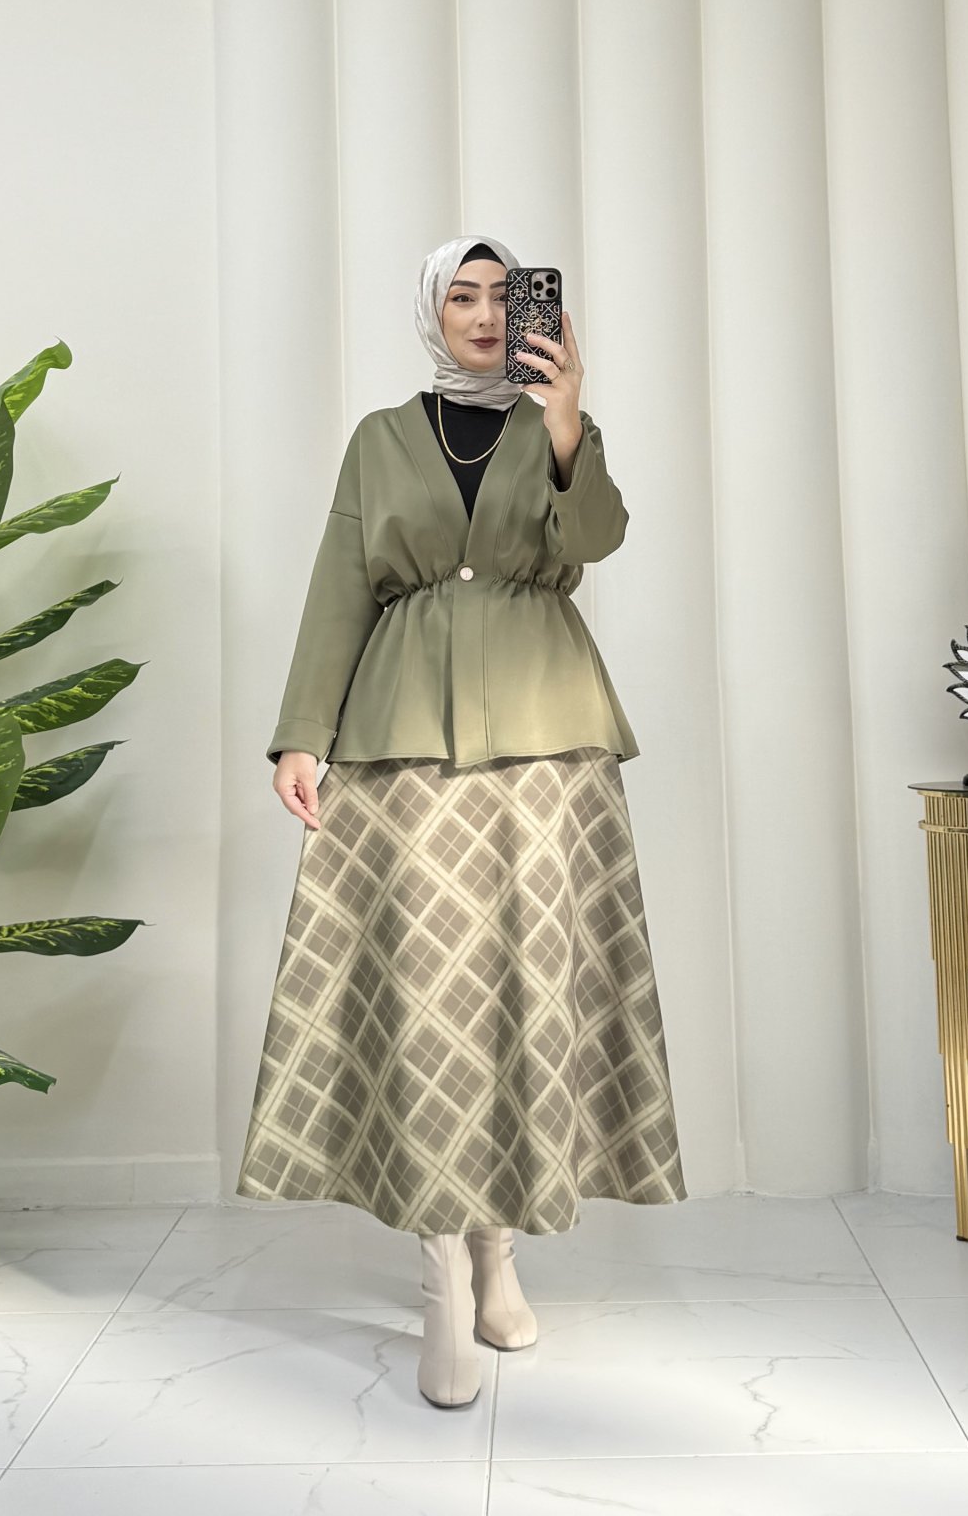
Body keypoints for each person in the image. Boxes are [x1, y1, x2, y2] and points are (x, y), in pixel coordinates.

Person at [235, 235, 687, 1409]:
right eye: (463, 296)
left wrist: (568, 418)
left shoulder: (557, 426)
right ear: (433, 311)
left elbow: (593, 540)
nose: (486, 315)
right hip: (402, 734)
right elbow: (340, 585)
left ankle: (501, 1250)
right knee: (430, 999)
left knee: (527, 984)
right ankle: (443, 1270)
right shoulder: (380, 439)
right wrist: (302, 733)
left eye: (503, 296)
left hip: (546, 732)